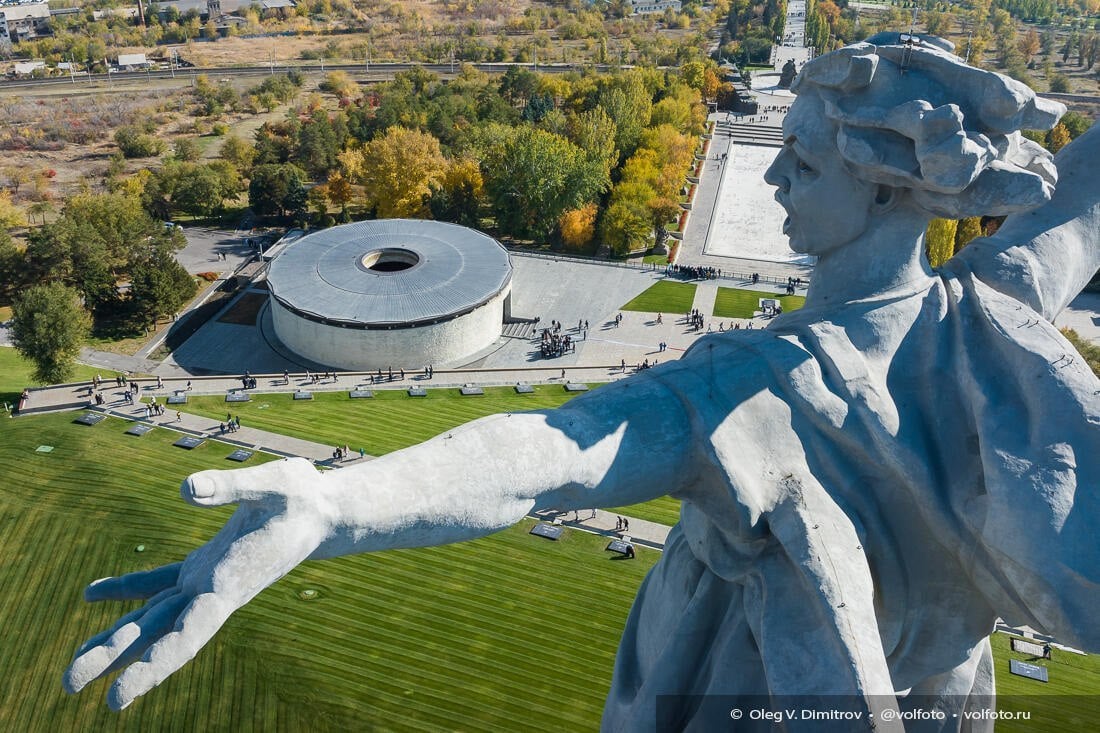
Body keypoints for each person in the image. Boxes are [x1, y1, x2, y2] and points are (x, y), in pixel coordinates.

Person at [63, 36, 1100, 729]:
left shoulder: (742, 388)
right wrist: (333, 503)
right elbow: (529, 453)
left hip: (754, 691)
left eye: (805, 167)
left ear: (889, 193)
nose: (776, 182)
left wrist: (335, 502)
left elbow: (547, 457)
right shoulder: (1002, 299)